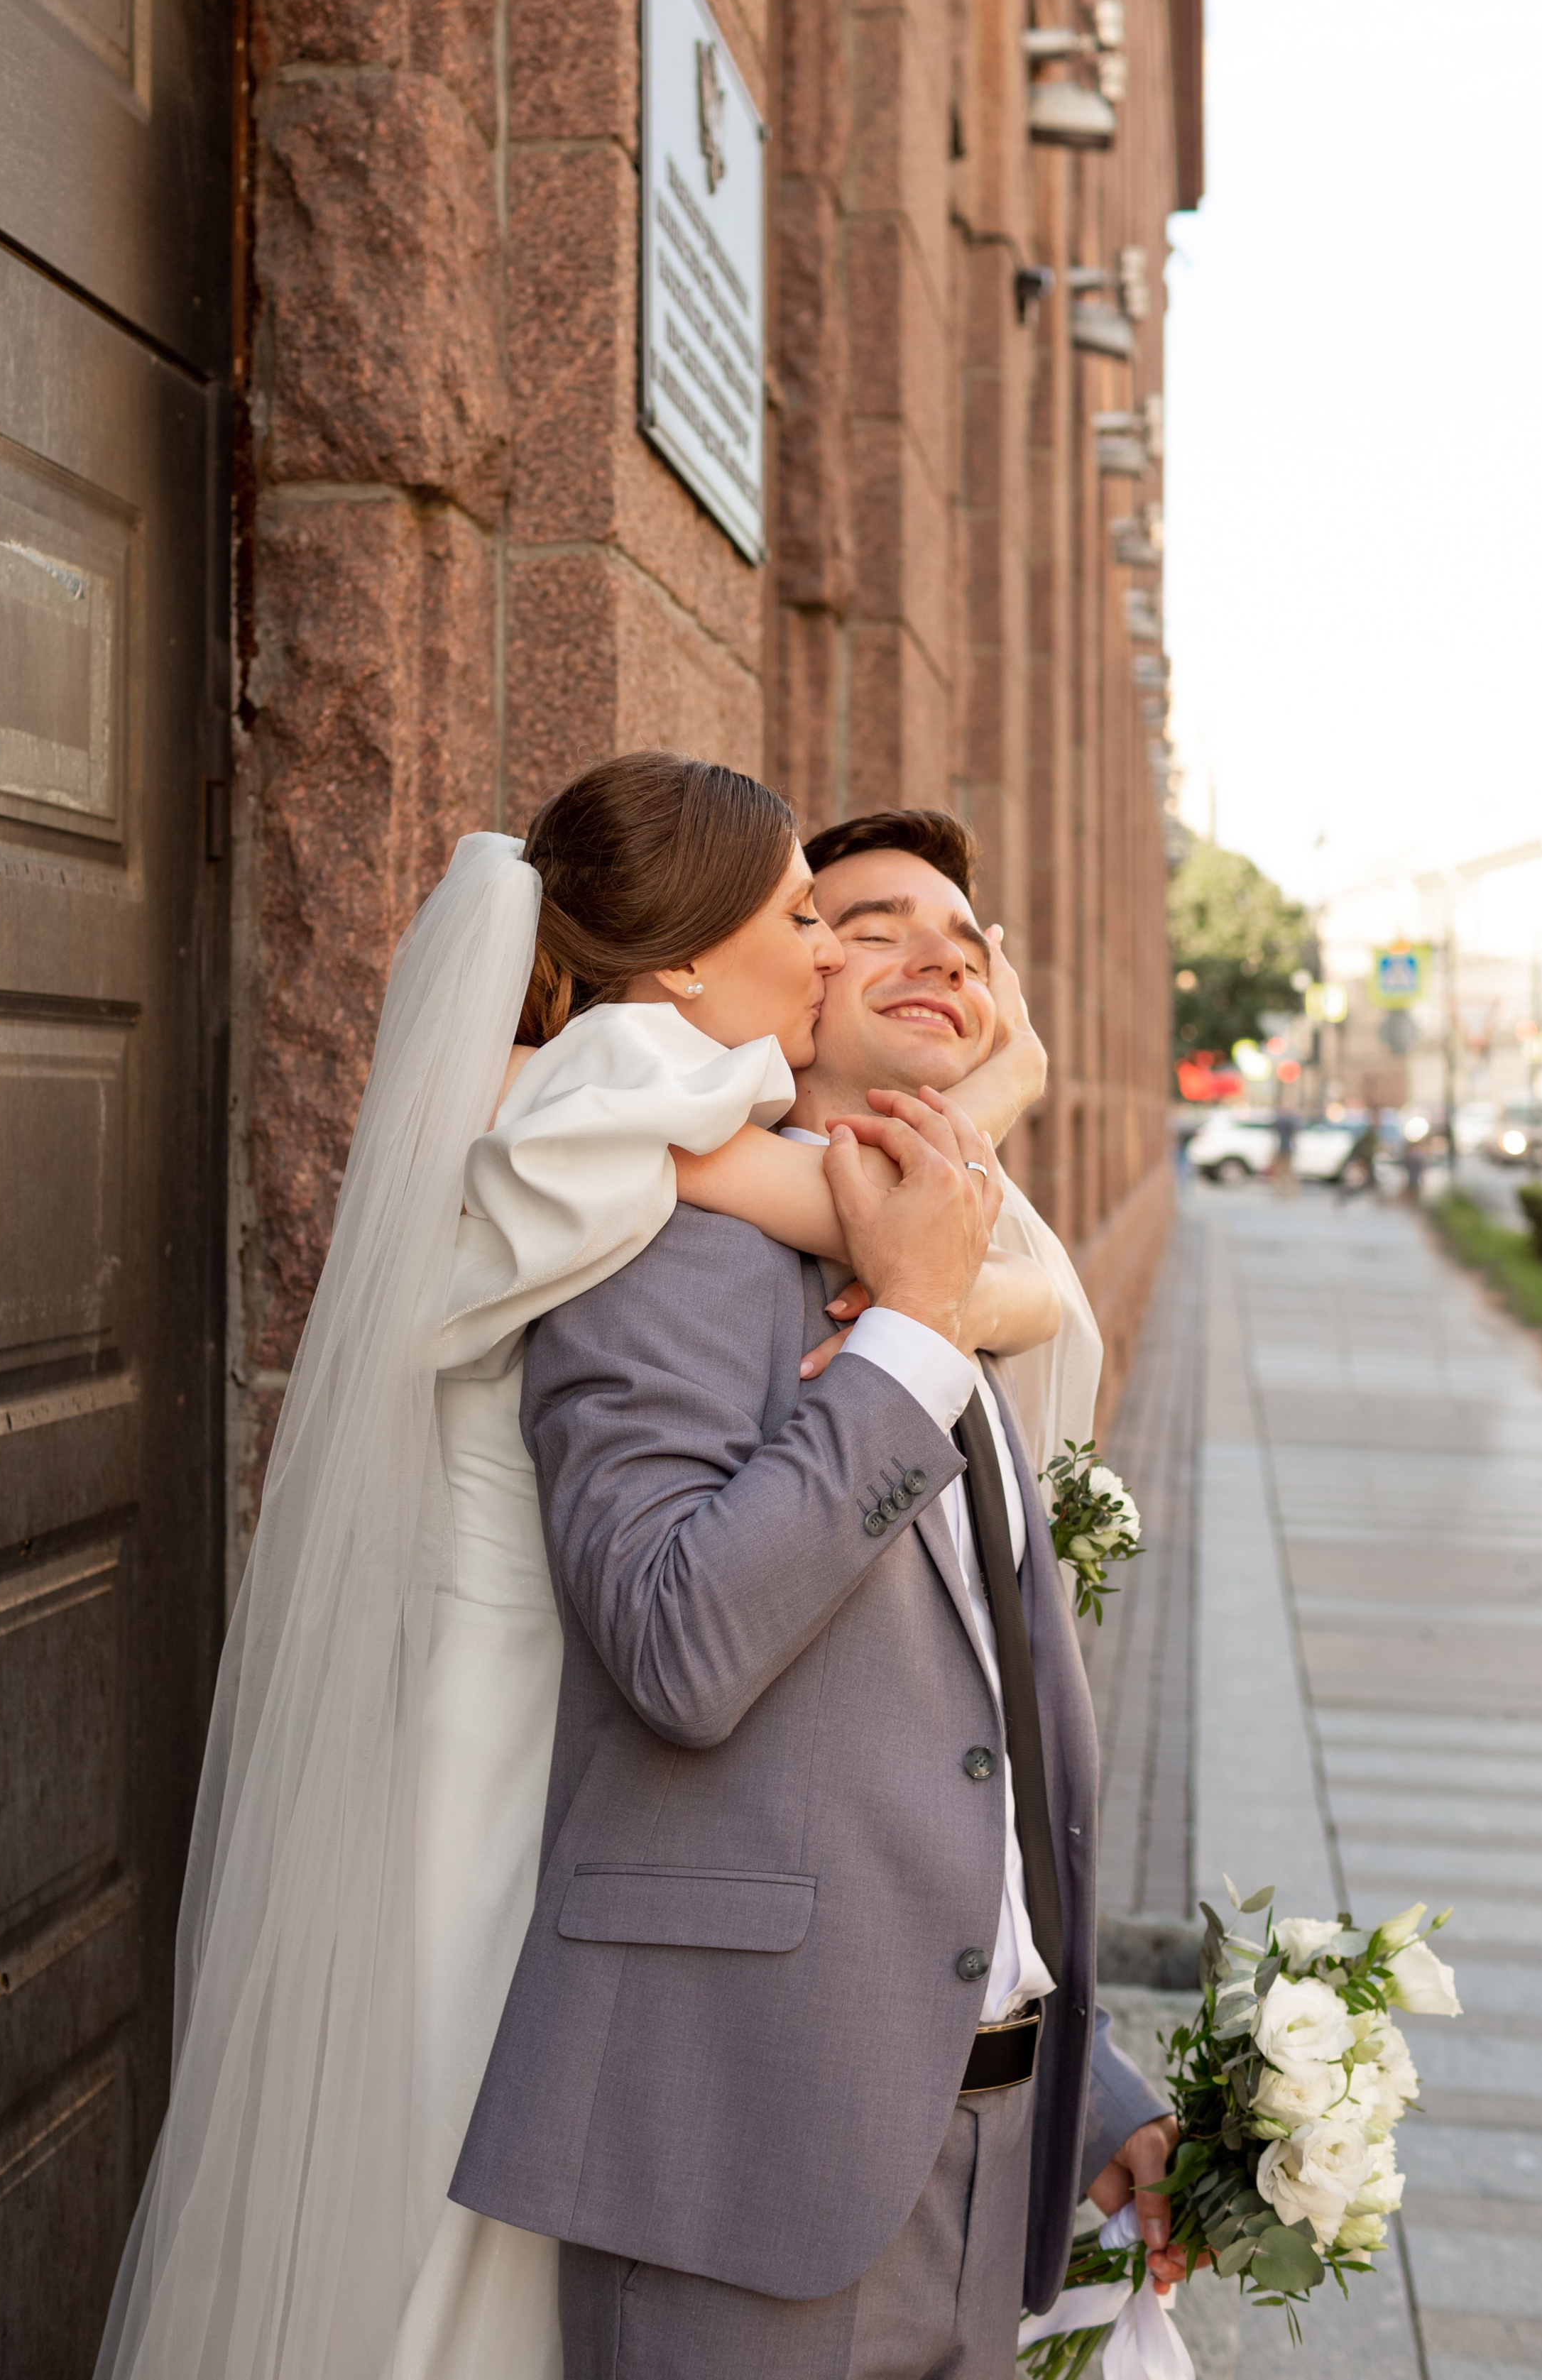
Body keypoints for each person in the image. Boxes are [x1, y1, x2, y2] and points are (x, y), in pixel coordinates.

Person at [97, 756, 1059, 2380]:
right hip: (536, 1777)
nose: (831, 951)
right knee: (461, 2258)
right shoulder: (627, 1097)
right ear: (686, 963)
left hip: (559, 1755)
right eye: (808, 915)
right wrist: (956, 1198)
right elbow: (934, 1278)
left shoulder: (642, 1097)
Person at [452, 808, 1174, 2379]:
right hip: (744, 2154)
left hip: (986, 2157)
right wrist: (908, 1328)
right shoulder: (652, 1238)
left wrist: (1091, 2085)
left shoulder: (973, 1259)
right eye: (858, 918)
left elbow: (956, 1742)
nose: (936, 950)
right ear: (762, 978)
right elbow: (676, 1643)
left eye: (966, 936)